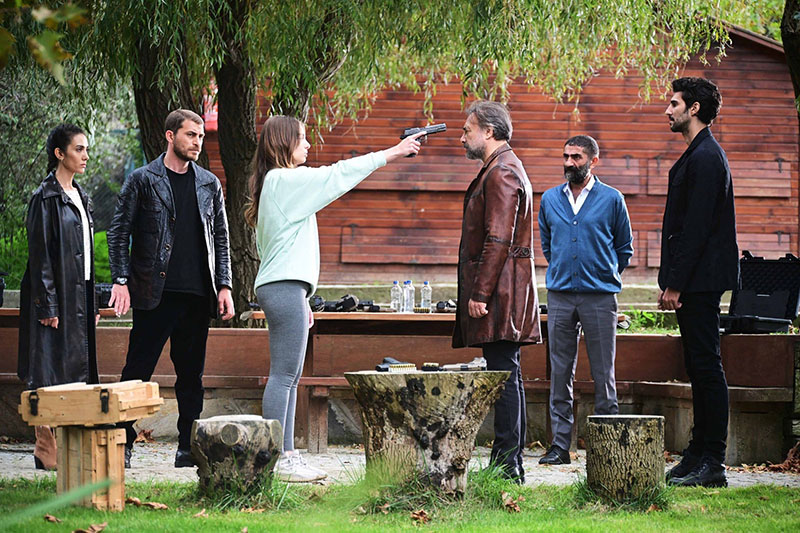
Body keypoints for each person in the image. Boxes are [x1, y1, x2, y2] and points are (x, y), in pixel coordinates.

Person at [247, 115, 425, 483]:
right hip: (283, 288)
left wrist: (303, 298)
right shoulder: (284, 180)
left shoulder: (277, 184)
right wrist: (393, 152)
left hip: (287, 288)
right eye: (302, 138)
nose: (308, 145)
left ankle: (285, 455)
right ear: (283, 143)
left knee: (289, 376)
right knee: (284, 376)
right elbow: (339, 174)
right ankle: (277, 459)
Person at [107, 109, 235, 469]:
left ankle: (187, 447)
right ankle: (121, 441)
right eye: (191, 135)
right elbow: (118, 232)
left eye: (200, 136)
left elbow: (221, 239)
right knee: (137, 371)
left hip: (197, 295)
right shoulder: (142, 179)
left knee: (191, 377)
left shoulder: (209, 183)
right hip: (154, 293)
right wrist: (121, 280)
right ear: (170, 136)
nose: (197, 142)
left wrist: (224, 286)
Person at [452, 101, 541, 483]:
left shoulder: (502, 171)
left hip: (502, 292)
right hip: (505, 289)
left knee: (504, 375)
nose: (462, 137)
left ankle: (507, 465)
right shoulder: (502, 167)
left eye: (467, 130)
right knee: (507, 374)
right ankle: (509, 462)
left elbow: (499, 238)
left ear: (488, 131)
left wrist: (480, 293)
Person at [658, 77, 738, 488]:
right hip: (695, 279)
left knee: (707, 367)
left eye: (674, 103)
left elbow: (697, 228)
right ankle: (696, 454)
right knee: (697, 365)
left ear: (694, 109)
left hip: (701, 281)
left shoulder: (707, 157)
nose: (667, 110)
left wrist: (675, 284)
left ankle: (714, 462)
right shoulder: (698, 153)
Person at [537, 135, 634, 465]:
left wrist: (603, 273)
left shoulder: (612, 199)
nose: (569, 162)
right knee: (560, 372)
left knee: (603, 372)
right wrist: (564, 270)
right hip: (560, 296)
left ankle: (608, 448)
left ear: (593, 161)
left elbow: (624, 248)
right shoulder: (550, 199)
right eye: (566, 156)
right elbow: (548, 245)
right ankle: (560, 446)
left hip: (600, 297)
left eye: (576, 157)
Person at [18, 124, 100, 470]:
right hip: (55, 295)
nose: (85, 156)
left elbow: (87, 255)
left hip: (79, 293)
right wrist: (47, 303)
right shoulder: (45, 198)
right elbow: (40, 256)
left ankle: (69, 442)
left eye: (86, 149)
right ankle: (45, 444)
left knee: (76, 367)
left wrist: (92, 301)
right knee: (48, 367)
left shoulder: (80, 196)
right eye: (79, 149)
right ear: (59, 153)